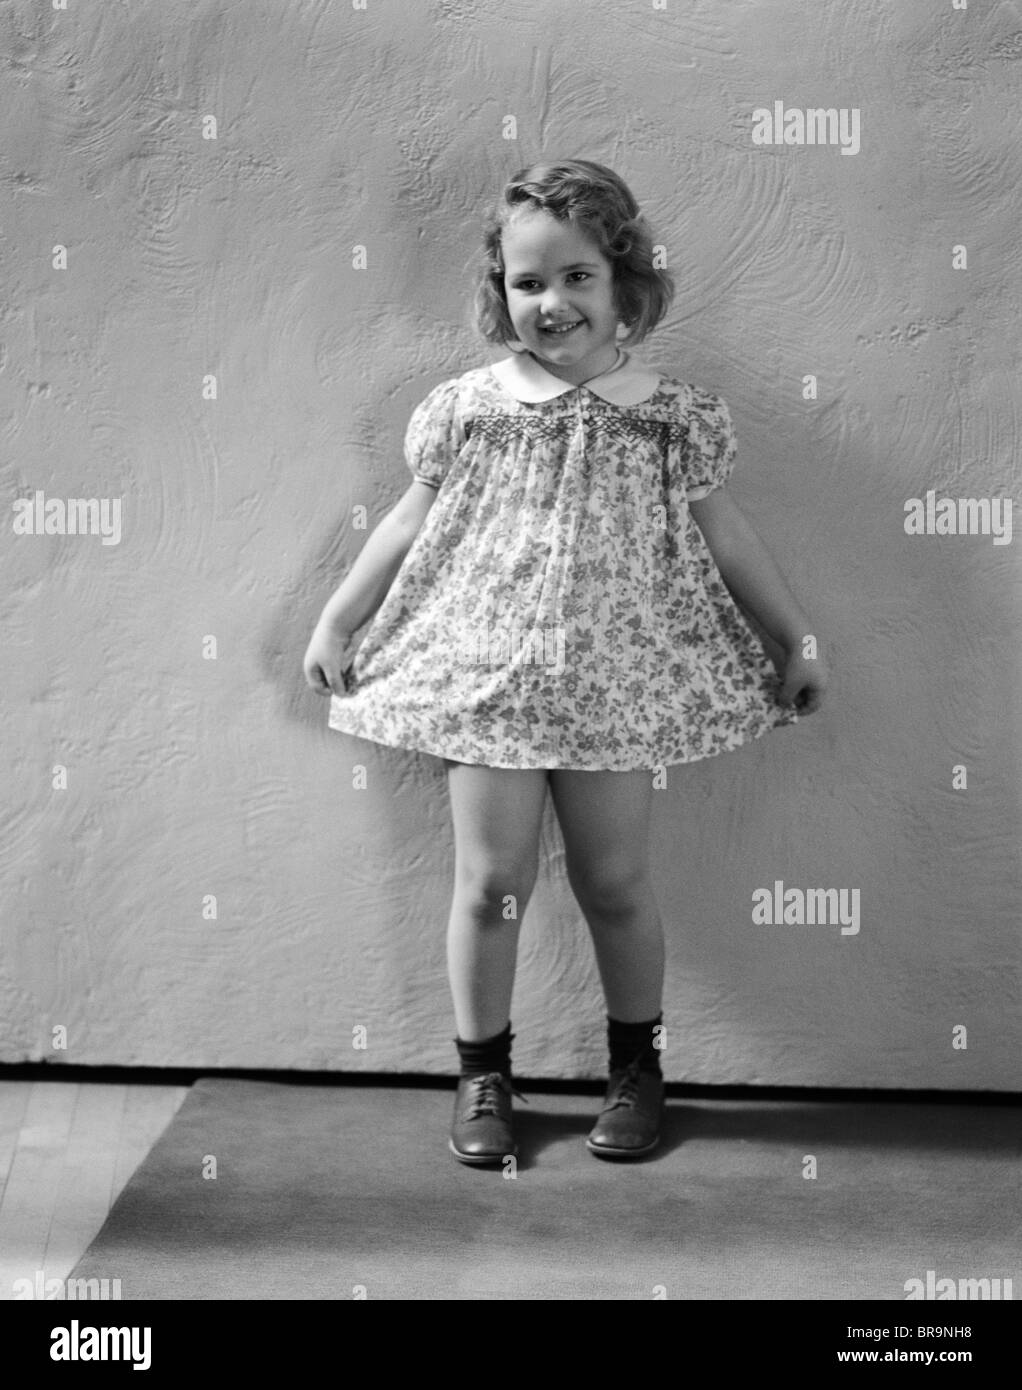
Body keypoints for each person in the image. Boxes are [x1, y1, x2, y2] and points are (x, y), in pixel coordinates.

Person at [303, 158, 828, 1166]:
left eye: (576, 276)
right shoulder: (468, 407)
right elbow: (404, 525)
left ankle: (635, 1069)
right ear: (498, 293)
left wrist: (791, 637)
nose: (552, 302)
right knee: (491, 882)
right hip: (486, 685)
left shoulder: (668, 414)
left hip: (614, 687)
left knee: (617, 883)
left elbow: (727, 537)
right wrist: (338, 620)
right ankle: (483, 1074)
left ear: (621, 280)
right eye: (527, 282)